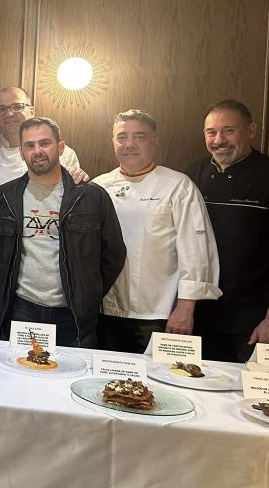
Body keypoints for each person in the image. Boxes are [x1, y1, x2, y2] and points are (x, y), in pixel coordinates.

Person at [0, 117, 125, 348]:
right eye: (29, 145)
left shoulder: (92, 197)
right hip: (21, 308)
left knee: (72, 371)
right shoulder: (4, 197)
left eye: (45, 143)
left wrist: (87, 293)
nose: (37, 151)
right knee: (20, 369)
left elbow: (114, 254)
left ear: (60, 147)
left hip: (73, 314)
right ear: (21, 152)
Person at [93, 110, 220, 352]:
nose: (129, 144)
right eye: (122, 137)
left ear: (154, 142)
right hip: (105, 311)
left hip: (161, 313)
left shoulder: (178, 186)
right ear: (113, 142)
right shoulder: (98, 187)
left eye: (139, 137)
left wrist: (185, 308)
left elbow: (195, 252)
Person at [186, 99, 269, 362]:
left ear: (251, 131)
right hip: (199, 317)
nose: (219, 140)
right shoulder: (192, 176)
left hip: (255, 321)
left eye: (229, 131)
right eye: (211, 132)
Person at [0, 86, 82, 184]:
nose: (9, 114)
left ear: (31, 111)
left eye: (17, 107)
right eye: (1, 109)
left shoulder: (63, 153)